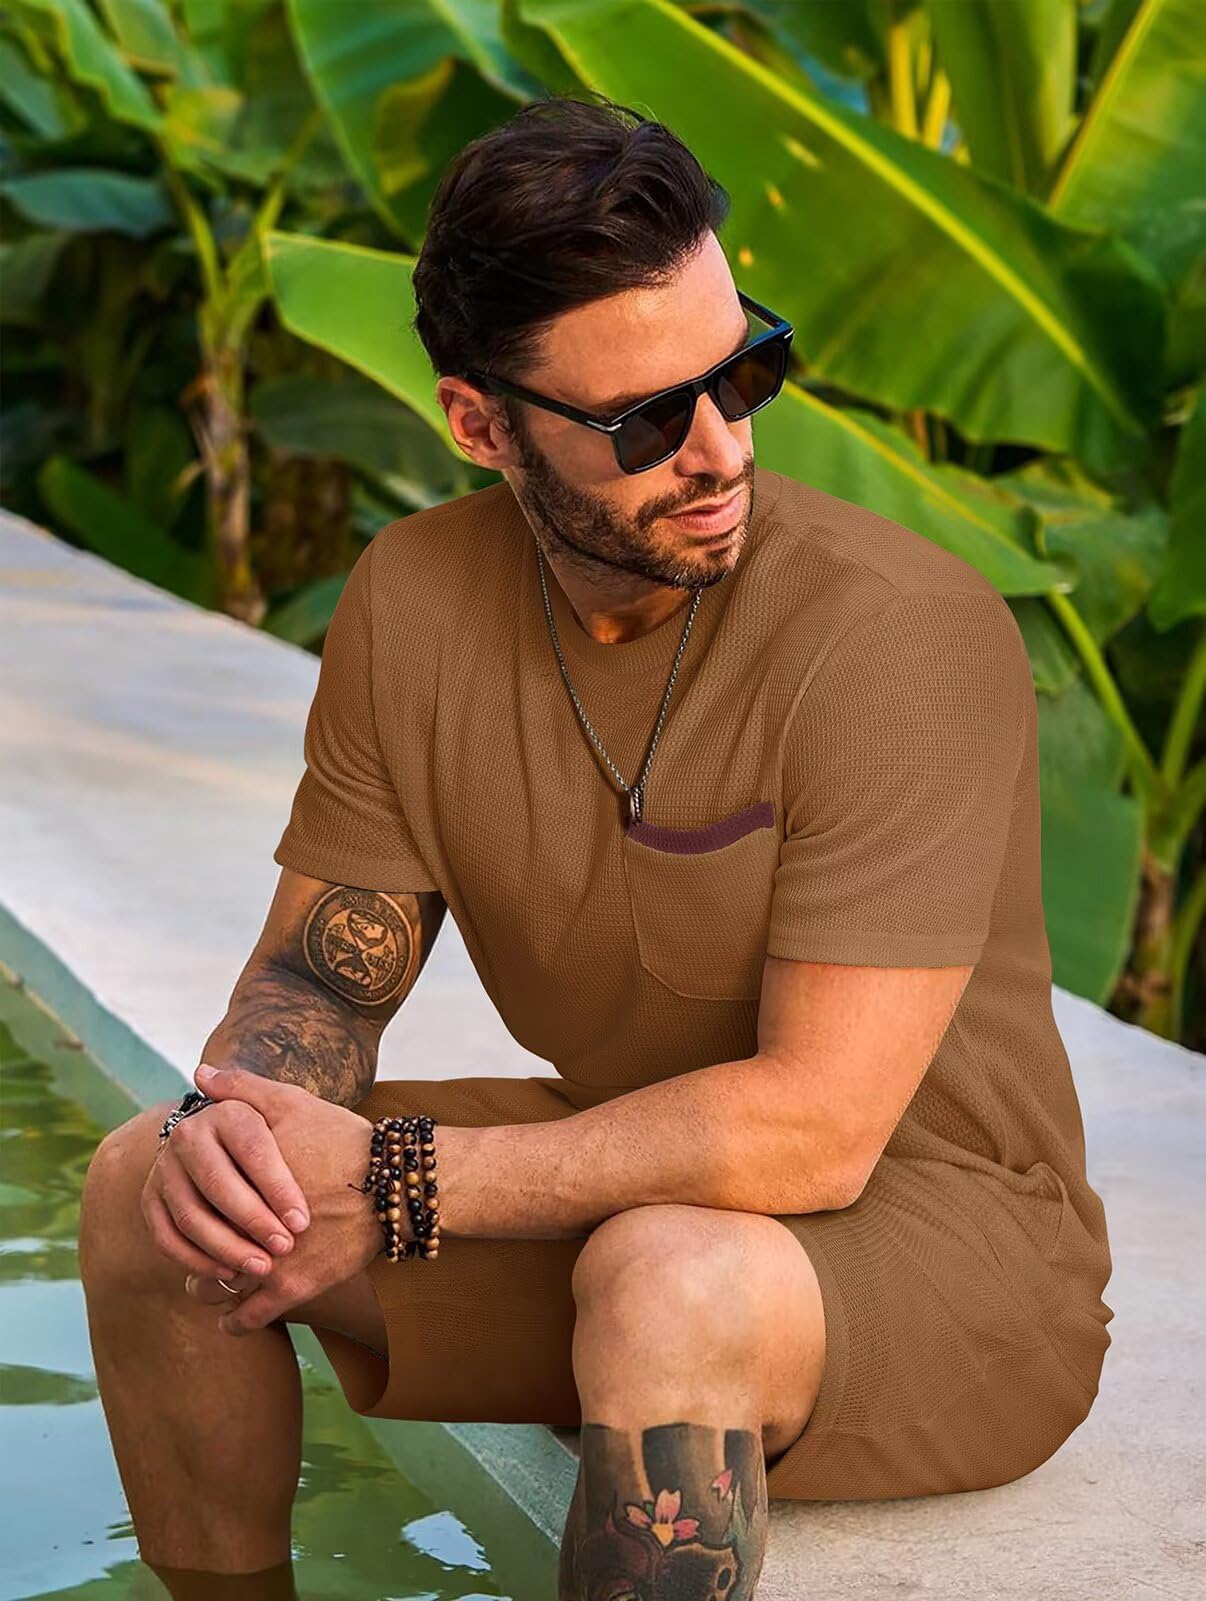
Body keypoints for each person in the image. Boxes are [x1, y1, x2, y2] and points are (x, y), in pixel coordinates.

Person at [78, 92, 1114, 1601]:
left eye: (742, 375)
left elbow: (817, 1130)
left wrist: (407, 1180)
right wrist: (243, 1130)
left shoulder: (899, 634)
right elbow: (317, 983)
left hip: (940, 1245)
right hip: (623, 1187)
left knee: (664, 1275)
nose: (718, 451)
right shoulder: (415, 600)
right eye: (644, 420)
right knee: (152, 1193)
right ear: (479, 424)